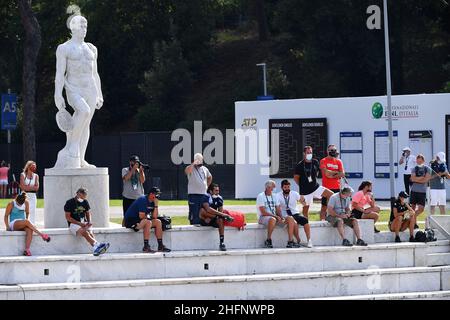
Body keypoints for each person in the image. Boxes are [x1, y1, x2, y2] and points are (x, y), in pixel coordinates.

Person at [54, 14, 103, 168]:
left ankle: (80, 159)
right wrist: (57, 94)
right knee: (84, 111)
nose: (84, 29)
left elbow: (95, 73)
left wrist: (99, 94)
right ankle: (72, 147)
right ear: (73, 28)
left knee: (85, 124)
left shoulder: (91, 48)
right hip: (73, 88)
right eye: (81, 26)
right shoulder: (64, 48)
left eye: (85, 26)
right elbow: (59, 74)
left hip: (90, 89)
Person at [124, 187, 171, 253]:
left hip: (140, 220)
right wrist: (149, 218)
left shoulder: (153, 202)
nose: (158, 197)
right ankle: (146, 247)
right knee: (148, 222)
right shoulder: (143, 200)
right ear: (151, 194)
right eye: (156, 195)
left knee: (158, 222)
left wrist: (156, 205)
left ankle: (160, 246)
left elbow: (155, 217)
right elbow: (141, 216)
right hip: (131, 220)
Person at [64, 187, 110, 256]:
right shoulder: (69, 202)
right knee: (85, 231)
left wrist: (89, 221)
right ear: (78, 194)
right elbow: (68, 217)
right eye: (82, 196)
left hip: (83, 222)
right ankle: (98, 244)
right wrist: (79, 223)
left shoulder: (85, 202)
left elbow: (88, 213)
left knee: (90, 232)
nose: (83, 199)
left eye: (85, 196)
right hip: (73, 224)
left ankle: (96, 248)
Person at [294, 146, 333, 219]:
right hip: (305, 191)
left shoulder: (315, 161)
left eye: (311, 152)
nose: (309, 154)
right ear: (304, 153)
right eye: (308, 152)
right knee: (306, 209)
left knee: (331, 195)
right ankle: (306, 223)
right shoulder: (300, 165)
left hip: (315, 187)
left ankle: (329, 213)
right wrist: (302, 185)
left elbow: (318, 171)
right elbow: (296, 178)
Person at [257, 180, 298, 248]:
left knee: (290, 218)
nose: (274, 188)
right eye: (273, 187)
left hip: (274, 217)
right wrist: (275, 216)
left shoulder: (274, 196)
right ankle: (268, 240)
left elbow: (278, 209)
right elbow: (263, 212)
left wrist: (281, 217)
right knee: (272, 219)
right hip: (263, 217)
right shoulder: (261, 196)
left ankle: (290, 241)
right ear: (268, 187)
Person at [277, 180, 313, 248]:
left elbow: (303, 202)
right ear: (282, 188)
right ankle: (297, 240)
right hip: (286, 215)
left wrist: (304, 200)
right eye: (285, 187)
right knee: (294, 222)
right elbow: (278, 208)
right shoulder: (278, 195)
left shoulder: (294, 193)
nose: (287, 189)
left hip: (295, 213)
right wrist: (280, 217)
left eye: (288, 187)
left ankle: (309, 240)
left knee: (305, 220)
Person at [199, 184, 234, 251]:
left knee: (220, 220)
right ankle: (225, 217)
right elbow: (207, 209)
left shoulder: (219, 198)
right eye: (216, 190)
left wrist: (222, 216)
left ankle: (222, 242)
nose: (218, 192)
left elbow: (220, 211)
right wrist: (223, 215)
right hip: (204, 219)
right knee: (202, 210)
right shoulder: (206, 196)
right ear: (211, 191)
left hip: (212, 218)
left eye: (218, 190)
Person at [185, 153, 212, 225]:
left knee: (204, 211)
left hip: (203, 194)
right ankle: (194, 223)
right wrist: (194, 163)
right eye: (198, 160)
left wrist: (207, 186)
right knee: (194, 213)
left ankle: (204, 223)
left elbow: (210, 177)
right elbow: (187, 171)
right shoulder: (191, 168)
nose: (200, 162)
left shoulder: (205, 169)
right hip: (193, 195)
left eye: (201, 160)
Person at [320, 144, 345, 221]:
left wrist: (332, 175)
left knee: (336, 206)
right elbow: (326, 173)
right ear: (327, 151)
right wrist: (337, 173)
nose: (333, 152)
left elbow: (343, 174)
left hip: (337, 187)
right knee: (324, 206)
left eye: (334, 150)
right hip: (326, 187)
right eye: (331, 150)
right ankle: (322, 221)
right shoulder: (323, 161)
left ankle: (334, 220)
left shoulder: (338, 161)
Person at [122, 155, 146, 226]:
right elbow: (126, 178)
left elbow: (142, 180)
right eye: (134, 162)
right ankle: (123, 228)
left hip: (138, 197)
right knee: (126, 216)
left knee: (139, 216)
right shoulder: (125, 170)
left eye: (136, 162)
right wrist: (133, 169)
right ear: (130, 162)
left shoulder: (139, 171)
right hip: (128, 197)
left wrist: (141, 171)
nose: (135, 163)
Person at [410, 154, 432, 224]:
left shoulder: (428, 169)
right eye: (417, 161)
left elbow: (426, 180)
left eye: (420, 161)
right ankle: (414, 223)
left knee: (421, 209)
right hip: (413, 191)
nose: (419, 162)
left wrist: (417, 179)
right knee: (412, 208)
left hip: (422, 192)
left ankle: (413, 217)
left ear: (423, 160)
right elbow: (412, 179)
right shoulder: (414, 168)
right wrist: (422, 177)